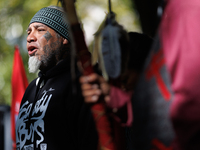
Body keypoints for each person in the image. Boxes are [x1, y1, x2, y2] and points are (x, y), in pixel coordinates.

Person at [15, 6, 98, 150]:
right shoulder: (31, 88)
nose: (30, 37)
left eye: (40, 30)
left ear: (64, 37)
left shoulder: (82, 82)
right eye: (29, 32)